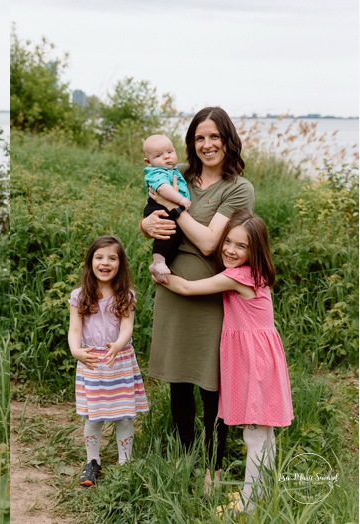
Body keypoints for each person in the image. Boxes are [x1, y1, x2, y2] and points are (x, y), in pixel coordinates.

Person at [140, 107, 255, 493]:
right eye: (199, 138)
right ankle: (184, 455)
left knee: (211, 383)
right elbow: (152, 214)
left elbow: (210, 242)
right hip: (171, 289)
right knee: (178, 379)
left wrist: (173, 206)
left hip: (211, 292)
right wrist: (146, 224)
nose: (206, 145)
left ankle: (214, 467)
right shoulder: (179, 173)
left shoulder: (238, 187)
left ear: (227, 139)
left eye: (214, 137)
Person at [160, 209, 293, 513]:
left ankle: (247, 505)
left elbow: (188, 288)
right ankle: (260, 494)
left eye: (241, 246)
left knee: (254, 431)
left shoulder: (237, 276)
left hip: (253, 360)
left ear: (255, 250)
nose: (231, 250)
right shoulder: (255, 274)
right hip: (261, 355)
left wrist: (160, 270)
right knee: (263, 430)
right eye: (228, 242)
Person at [67, 236, 149, 487]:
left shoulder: (126, 295)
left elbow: (127, 327)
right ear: (90, 262)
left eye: (112, 258)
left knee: (124, 416)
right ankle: (92, 462)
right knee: (94, 416)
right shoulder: (79, 296)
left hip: (119, 360)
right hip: (91, 360)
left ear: (120, 264)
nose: (105, 263)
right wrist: (75, 351)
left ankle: (125, 463)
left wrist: (119, 344)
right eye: (99, 257)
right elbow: (74, 330)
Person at [142, 134, 191, 283]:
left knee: (174, 238)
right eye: (158, 155)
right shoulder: (156, 172)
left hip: (166, 206)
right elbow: (163, 189)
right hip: (157, 206)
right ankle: (158, 260)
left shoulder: (175, 169)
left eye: (170, 152)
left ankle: (158, 265)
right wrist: (180, 199)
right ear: (148, 162)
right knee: (166, 233)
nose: (166, 157)